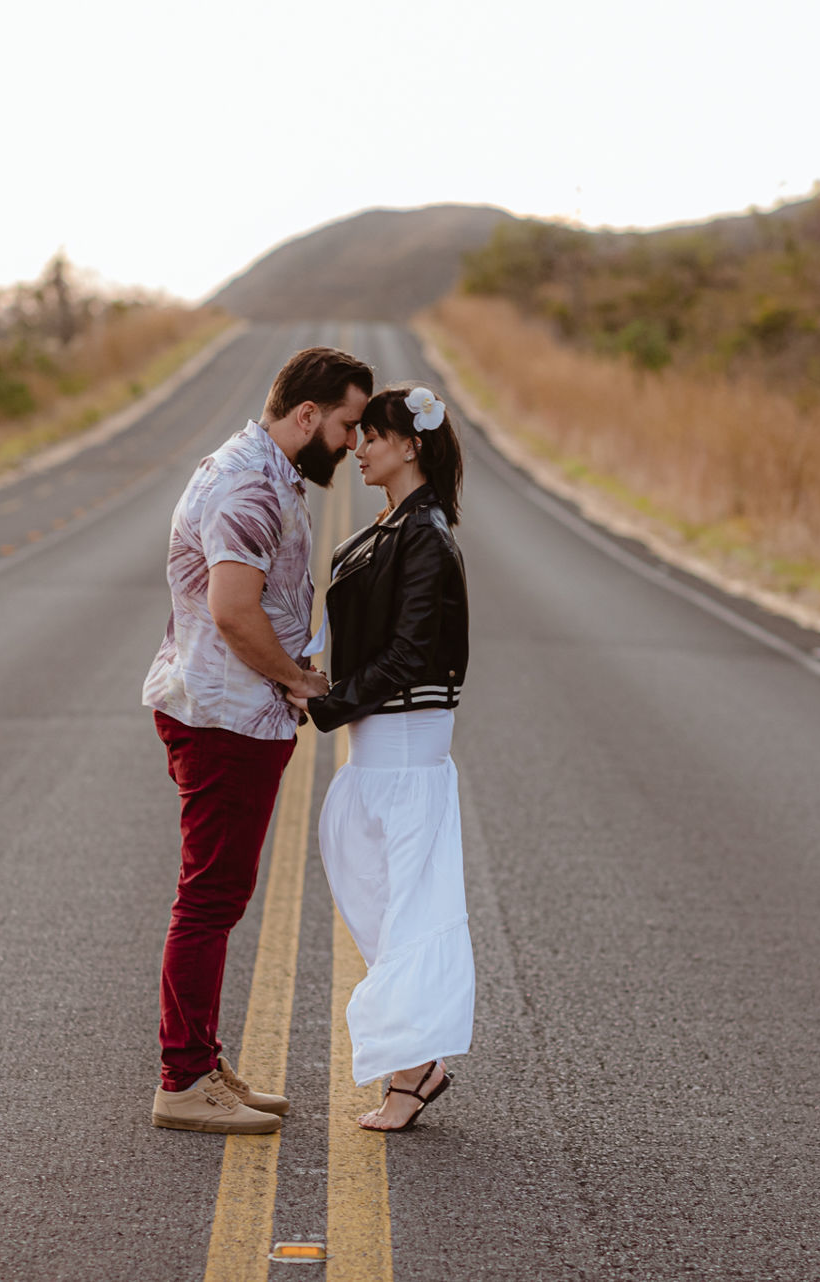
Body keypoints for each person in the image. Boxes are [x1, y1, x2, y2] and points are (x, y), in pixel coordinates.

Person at [142, 346, 372, 1134]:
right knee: (209, 899)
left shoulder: (263, 470)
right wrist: (301, 680)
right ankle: (183, 1080)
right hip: (223, 715)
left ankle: (201, 1062)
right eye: (345, 424)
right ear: (307, 415)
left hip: (231, 710)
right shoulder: (246, 483)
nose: (350, 442)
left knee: (218, 896)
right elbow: (235, 610)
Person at [292, 384, 474, 1132]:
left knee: (411, 918)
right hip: (375, 757)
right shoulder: (385, 529)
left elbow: (407, 654)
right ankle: (418, 1060)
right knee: (378, 914)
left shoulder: (425, 535)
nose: (358, 448)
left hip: (405, 754)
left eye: (373, 436)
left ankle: (412, 1073)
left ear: (411, 445)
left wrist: (325, 704)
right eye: (358, 434)